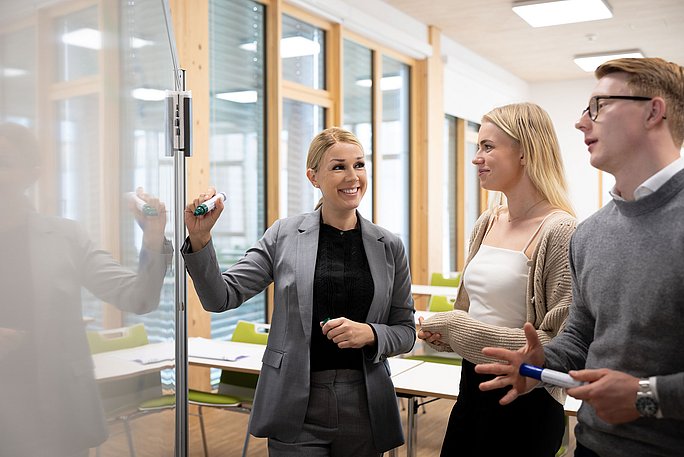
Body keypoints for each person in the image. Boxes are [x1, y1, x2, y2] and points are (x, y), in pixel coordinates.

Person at [475, 57, 684, 457]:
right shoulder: (591, 232)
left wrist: (649, 395)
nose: (581, 122)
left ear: (653, 111)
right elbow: (580, 336)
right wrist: (539, 362)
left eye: (598, 107)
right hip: (590, 444)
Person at [182, 126, 416, 456]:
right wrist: (200, 240)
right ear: (313, 176)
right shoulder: (285, 235)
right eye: (338, 166)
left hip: (364, 402)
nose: (353, 177)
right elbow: (221, 297)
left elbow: (406, 331)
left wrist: (371, 334)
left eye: (359, 165)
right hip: (296, 401)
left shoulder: (389, 245)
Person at [0, 122, 173, 456]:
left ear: (31, 174)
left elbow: (139, 297)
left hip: (52, 417)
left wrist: (152, 238)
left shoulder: (66, 237)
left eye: (3, 163)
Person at [418, 102, 577, 456]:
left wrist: (458, 328)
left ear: (525, 152)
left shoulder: (560, 230)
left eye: (488, 147)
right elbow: (469, 313)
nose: (476, 158)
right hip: (471, 388)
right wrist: (444, 336)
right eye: (478, 147)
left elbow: (556, 343)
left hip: (525, 398)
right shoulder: (487, 222)